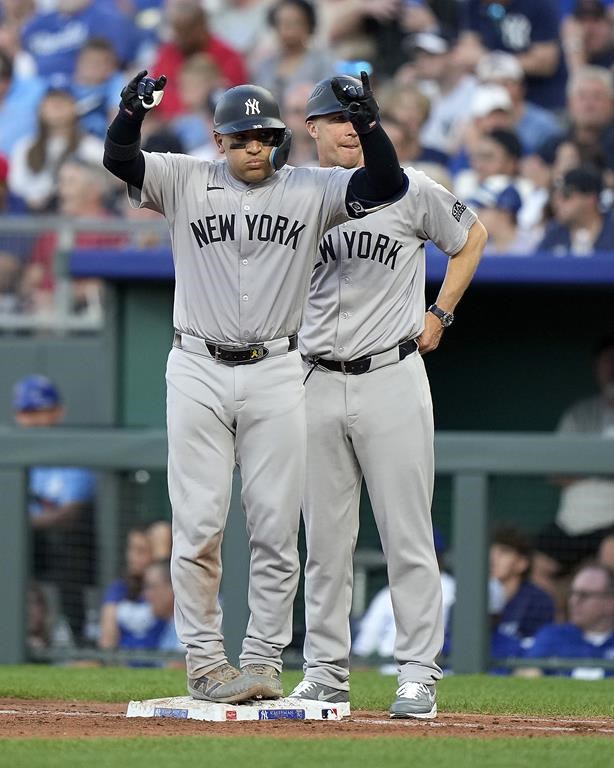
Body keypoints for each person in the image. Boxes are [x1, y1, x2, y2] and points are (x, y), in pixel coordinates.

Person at [102, 68, 408, 704]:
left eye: (264, 137)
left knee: (273, 525)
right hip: (196, 366)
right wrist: (131, 112)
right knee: (198, 525)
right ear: (219, 140)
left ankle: (264, 658)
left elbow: (388, 182)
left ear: (279, 139)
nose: (252, 148)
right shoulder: (183, 178)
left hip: (275, 367)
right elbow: (119, 158)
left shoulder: (310, 188)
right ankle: (206, 660)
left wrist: (370, 124)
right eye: (240, 138)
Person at [288, 75, 487, 719]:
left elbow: (471, 237)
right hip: (314, 376)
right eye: (333, 117)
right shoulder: (294, 195)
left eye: (356, 118)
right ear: (310, 128)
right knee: (324, 539)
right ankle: (324, 672)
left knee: (407, 534)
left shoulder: (409, 188)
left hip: (390, 372)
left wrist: (442, 313)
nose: (347, 127)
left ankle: (417, 675)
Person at [13, 374, 96, 640]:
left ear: (59, 411)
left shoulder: (73, 452)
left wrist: (18, 521)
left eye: (43, 411)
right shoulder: (11, 453)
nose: (36, 420)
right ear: (17, 416)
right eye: (28, 412)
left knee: (65, 543)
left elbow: (69, 515)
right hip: (17, 547)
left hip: (65, 554)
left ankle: (78, 638)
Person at [533, 336, 614, 602]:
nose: (611, 368)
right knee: (539, 565)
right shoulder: (580, 414)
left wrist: (585, 471)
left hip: (610, 524)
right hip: (574, 523)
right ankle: (564, 625)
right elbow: (557, 473)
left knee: (609, 558)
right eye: (606, 363)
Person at [521, 562, 614, 678]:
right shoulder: (552, 636)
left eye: (584, 595)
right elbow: (526, 675)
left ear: (610, 601)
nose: (574, 601)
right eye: (573, 594)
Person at [98, 524, 165, 652]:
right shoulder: (119, 588)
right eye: (131, 549)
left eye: (141, 551)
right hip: (124, 662)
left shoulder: (167, 588)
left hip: (161, 660)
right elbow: (107, 641)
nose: (132, 557)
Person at [538, 166, 614, 255]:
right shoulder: (554, 233)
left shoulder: (611, 229)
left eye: (566, 195)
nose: (557, 202)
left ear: (591, 199)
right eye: (556, 196)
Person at [143, 558, 184, 654]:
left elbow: (177, 666)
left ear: (174, 587)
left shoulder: (194, 627)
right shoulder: (166, 625)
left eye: (152, 587)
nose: (146, 595)